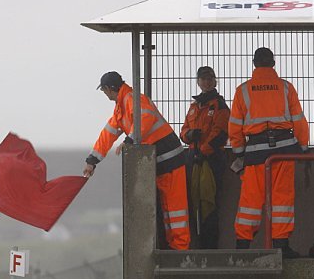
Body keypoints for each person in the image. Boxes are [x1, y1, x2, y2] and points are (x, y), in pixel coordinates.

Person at [83, 71, 190, 250]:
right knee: (170, 210)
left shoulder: (132, 99)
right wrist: (92, 160)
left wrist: (129, 141)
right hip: (164, 162)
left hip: (170, 161)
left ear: (110, 89)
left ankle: (181, 251)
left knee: (175, 209)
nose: (104, 94)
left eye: (104, 91)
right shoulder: (122, 106)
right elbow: (107, 135)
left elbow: (145, 118)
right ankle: (176, 249)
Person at [228, 47, 309, 258]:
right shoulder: (285, 88)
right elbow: (299, 120)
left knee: (250, 201)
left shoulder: (243, 90)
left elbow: (234, 126)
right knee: (282, 199)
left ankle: (242, 247)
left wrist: (239, 153)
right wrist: (302, 147)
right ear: (273, 64)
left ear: (254, 64)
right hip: (284, 151)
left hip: (255, 154)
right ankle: (281, 245)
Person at [180, 66, 230, 249]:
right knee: (195, 201)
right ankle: (199, 244)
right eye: (203, 79)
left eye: (210, 78)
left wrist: (204, 151)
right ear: (198, 82)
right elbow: (183, 131)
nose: (207, 82)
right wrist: (190, 135)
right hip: (194, 158)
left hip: (212, 160)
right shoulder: (194, 107)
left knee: (210, 203)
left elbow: (221, 134)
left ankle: (210, 245)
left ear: (215, 81)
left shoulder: (220, 105)